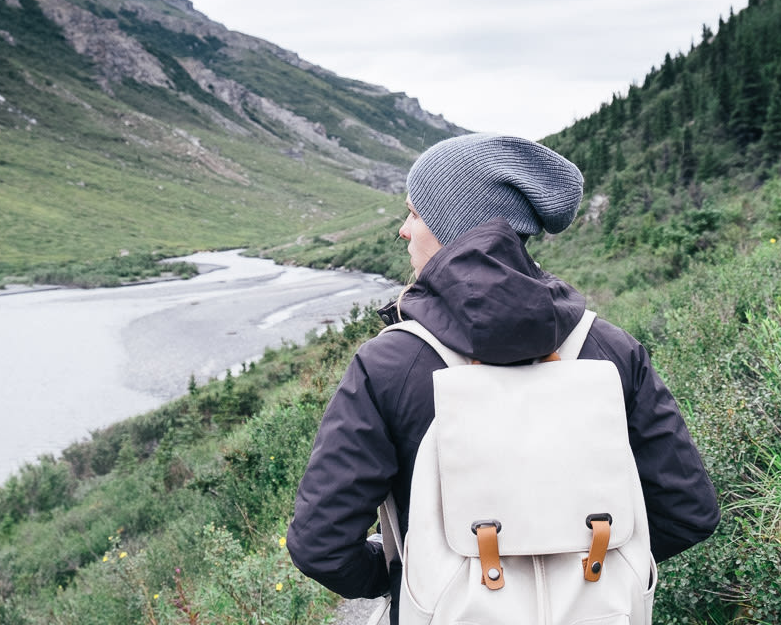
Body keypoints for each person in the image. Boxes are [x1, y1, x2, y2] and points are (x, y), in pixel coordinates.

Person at [286, 133, 720, 622]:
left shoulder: (388, 364)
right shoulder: (611, 349)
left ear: (452, 224)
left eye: (414, 213)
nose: (404, 231)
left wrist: (404, 576)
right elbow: (688, 512)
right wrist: (585, 565)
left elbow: (320, 545)